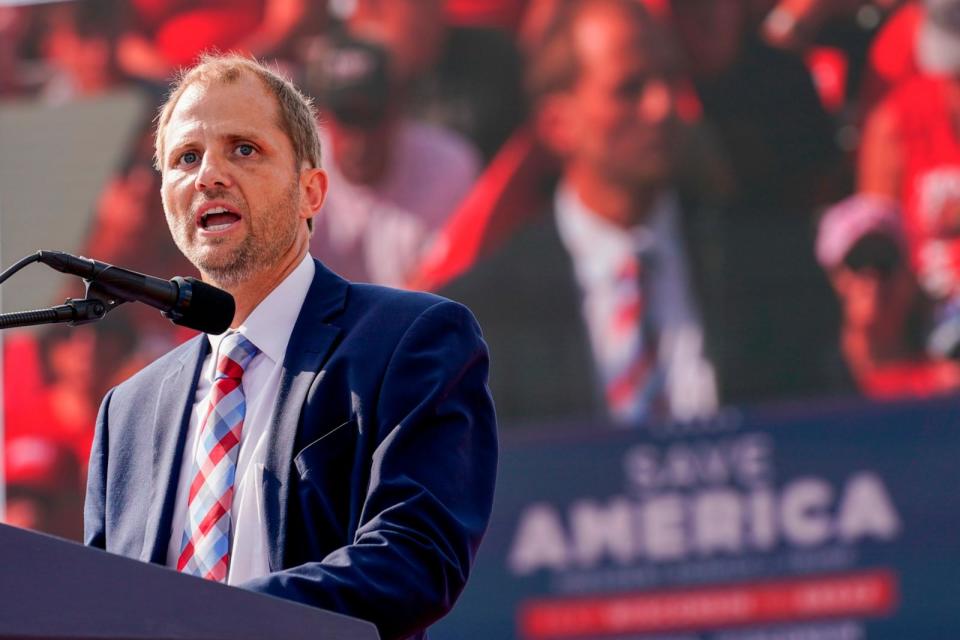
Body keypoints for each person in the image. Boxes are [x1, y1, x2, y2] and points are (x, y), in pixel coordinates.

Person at [83, 53, 497, 640]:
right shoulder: (126, 412)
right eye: (186, 158)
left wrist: (207, 620)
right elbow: (99, 609)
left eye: (244, 149)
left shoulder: (412, 340)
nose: (208, 176)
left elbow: (416, 560)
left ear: (311, 191)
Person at [443, 0, 720, 427]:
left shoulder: (760, 267)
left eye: (670, 78)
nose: (663, 106)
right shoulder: (483, 319)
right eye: (630, 88)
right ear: (558, 123)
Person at [307, 34, 481, 286]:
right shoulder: (293, 167)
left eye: (372, 115)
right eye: (347, 116)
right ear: (321, 117)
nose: (360, 137)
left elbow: (443, 289)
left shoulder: (448, 166)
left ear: (397, 109)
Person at [816, 194, 960, 397]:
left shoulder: (948, 375)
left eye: (884, 261)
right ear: (836, 279)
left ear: (907, 276)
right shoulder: (808, 379)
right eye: (857, 262)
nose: (872, 278)